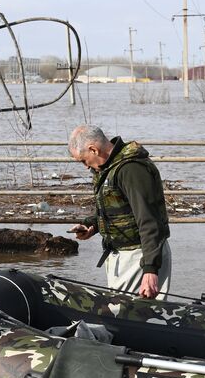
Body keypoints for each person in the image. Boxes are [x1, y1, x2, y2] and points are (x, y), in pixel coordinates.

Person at [67, 125, 172, 299]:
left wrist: (150, 269)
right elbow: (119, 208)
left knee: (125, 317)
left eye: (83, 160)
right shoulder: (109, 167)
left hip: (139, 256)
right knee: (126, 318)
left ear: (93, 149)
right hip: (125, 256)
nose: (85, 167)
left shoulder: (131, 169)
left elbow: (149, 219)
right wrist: (92, 225)